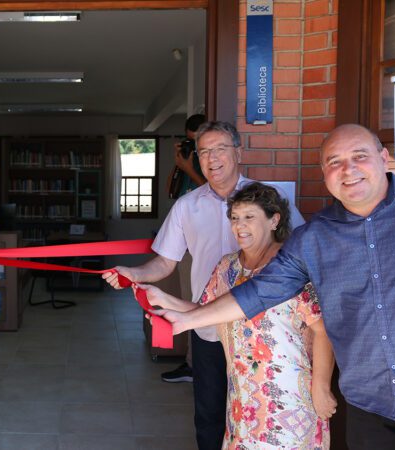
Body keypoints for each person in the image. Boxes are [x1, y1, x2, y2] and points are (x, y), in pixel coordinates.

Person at [153, 124, 395, 449]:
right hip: (370, 407)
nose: (347, 169)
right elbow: (260, 291)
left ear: (384, 157)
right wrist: (186, 319)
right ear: (324, 172)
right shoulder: (314, 237)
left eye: (359, 156)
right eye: (334, 161)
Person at [103, 121, 305, 450]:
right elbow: (165, 261)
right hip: (208, 326)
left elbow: (299, 253)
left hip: (263, 335)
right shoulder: (187, 205)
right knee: (209, 414)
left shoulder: (270, 198)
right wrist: (133, 273)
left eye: (220, 149)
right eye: (204, 151)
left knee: (262, 416)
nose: (211, 158)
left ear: (238, 152)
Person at [142, 182, 335, 449]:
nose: (239, 226)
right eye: (234, 218)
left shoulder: (291, 264)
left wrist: (321, 388)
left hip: (290, 395)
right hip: (243, 396)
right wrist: (164, 300)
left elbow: (323, 330)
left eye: (249, 217)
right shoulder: (227, 266)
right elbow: (206, 312)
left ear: (274, 220)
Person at [163, 113, 207, 384]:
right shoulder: (189, 163)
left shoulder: (210, 167)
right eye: (190, 143)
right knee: (188, 302)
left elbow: (214, 195)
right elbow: (171, 191)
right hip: (187, 242)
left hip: (205, 243)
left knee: (199, 304)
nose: (194, 149)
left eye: (197, 144)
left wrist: (191, 169)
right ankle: (192, 363)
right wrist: (179, 165)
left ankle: (196, 365)